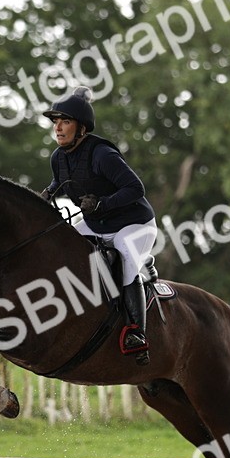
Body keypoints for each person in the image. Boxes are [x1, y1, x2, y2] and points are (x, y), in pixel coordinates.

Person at [42, 86, 157, 365]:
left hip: (134, 224)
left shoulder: (102, 154)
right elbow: (61, 183)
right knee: (61, 250)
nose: (58, 127)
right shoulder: (58, 157)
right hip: (95, 225)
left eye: (65, 121)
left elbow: (135, 188)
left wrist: (102, 204)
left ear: (81, 128)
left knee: (126, 259)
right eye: (55, 121)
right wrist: (45, 195)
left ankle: (136, 334)